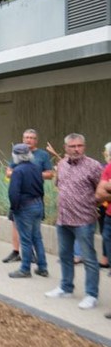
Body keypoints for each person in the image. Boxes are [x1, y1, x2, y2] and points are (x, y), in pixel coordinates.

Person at [45, 133, 103, 310]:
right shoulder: (61, 164)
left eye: (80, 146)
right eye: (73, 146)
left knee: (89, 258)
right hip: (63, 219)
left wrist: (91, 205)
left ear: (84, 146)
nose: (77, 149)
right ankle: (66, 287)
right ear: (66, 148)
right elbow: (59, 186)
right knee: (65, 256)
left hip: (84, 220)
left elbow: (101, 191)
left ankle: (91, 295)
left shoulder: (93, 166)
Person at [3, 129, 54, 264]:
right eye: (26, 137)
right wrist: (23, 173)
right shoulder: (18, 152)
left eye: (31, 138)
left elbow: (50, 174)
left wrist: (30, 174)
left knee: (34, 231)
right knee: (15, 224)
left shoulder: (42, 155)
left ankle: (30, 259)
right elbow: (8, 172)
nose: (28, 140)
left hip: (34, 196)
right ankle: (16, 252)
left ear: (36, 140)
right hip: (18, 195)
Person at [7, 144, 49, 279]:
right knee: (37, 238)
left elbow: (14, 192)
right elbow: (41, 189)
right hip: (37, 204)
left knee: (25, 240)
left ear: (16, 156)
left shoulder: (18, 171)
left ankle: (25, 269)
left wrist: (14, 208)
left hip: (24, 207)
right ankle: (42, 267)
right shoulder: (37, 168)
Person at [95, 142, 111, 319]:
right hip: (109, 217)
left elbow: (105, 189)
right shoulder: (108, 168)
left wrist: (108, 187)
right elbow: (99, 194)